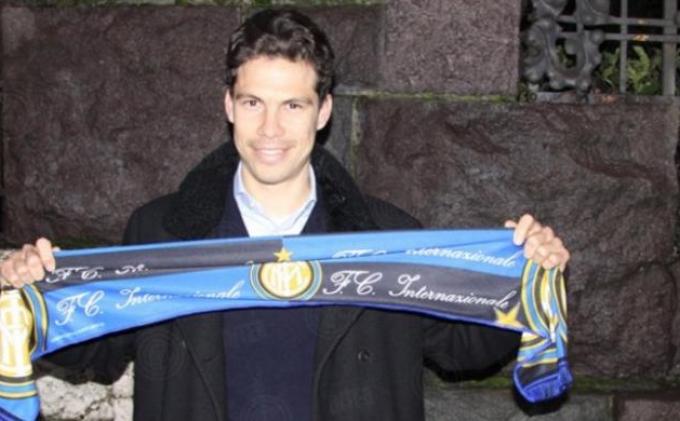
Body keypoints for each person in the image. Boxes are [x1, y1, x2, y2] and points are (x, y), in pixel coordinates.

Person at [0, 8, 570, 421]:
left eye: (292, 105)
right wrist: (32, 293)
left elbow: (466, 348)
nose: (270, 130)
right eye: (254, 102)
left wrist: (526, 275)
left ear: (323, 112)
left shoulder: (390, 239)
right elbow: (96, 350)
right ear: (229, 104)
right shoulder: (161, 232)